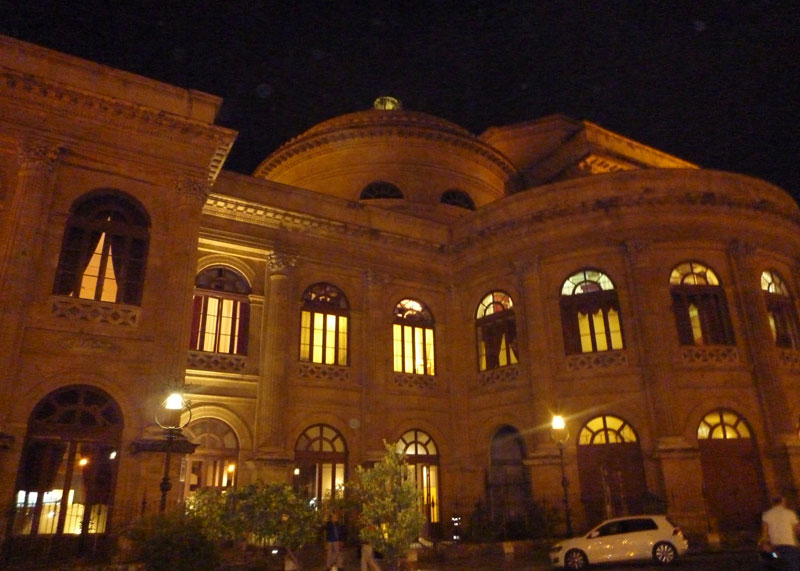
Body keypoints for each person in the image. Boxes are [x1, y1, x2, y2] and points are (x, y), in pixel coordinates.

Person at [762, 495, 800, 570]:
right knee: (793, 566)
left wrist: (766, 544)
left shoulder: (767, 515)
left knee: (779, 565)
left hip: (775, 546)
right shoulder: (790, 513)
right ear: (783, 501)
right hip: (790, 545)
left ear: (772, 502)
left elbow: (765, 532)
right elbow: (797, 529)